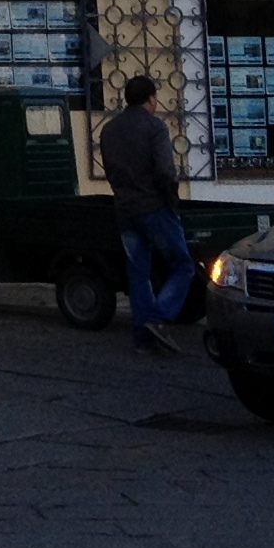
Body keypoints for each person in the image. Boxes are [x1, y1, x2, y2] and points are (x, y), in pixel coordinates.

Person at [99, 76, 191, 354]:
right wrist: (171, 200)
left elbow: (111, 169)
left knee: (138, 272)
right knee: (183, 265)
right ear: (151, 99)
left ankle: (143, 337)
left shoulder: (109, 130)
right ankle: (159, 318)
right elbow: (165, 171)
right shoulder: (155, 127)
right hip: (154, 207)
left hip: (125, 209)